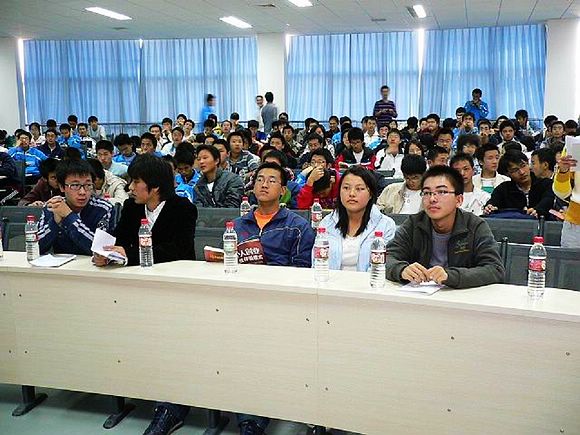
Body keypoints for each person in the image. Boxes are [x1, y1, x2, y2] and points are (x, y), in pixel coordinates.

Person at [385, 165, 504, 288]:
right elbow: (386, 257)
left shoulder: (475, 226)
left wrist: (450, 276)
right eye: (427, 193)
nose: (432, 199)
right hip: (419, 294)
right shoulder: (414, 224)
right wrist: (401, 270)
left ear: (459, 200)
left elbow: (495, 269)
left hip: (461, 295)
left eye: (441, 192)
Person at [93, 154, 197, 268]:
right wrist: (107, 255)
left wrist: (130, 255)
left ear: (155, 186)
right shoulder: (131, 206)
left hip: (177, 272)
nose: (130, 187)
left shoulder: (183, 209)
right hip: (137, 272)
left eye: (136, 182)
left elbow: (178, 250)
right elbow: (120, 239)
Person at [316, 166, 396, 271]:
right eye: (346, 188)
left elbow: (387, 265)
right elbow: (316, 262)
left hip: (370, 280)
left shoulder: (386, 225)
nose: (352, 194)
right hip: (330, 280)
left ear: (371, 194)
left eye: (359, 189)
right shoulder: (326, 223)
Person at [38, 159, 114, 255]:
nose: (82, 192)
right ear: (61, 187)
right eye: (75, 185)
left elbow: (101, 250)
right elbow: (35, 247)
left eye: (88, 185)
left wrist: (69, 217)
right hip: (62, 264)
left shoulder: (104, 208)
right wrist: (54, 223)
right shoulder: (53, 206)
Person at [484, 150, 555, 218]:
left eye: (523, 166)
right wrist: (489, 207)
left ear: (528, 164)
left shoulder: (546, 184)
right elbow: (493, 202)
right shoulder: (503, 189)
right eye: (515, 170)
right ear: (507, 174)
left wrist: (538, 210)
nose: (522, 172)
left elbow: (548, 199)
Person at [553, 151, 580, 247]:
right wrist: (563, 171)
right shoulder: (575, 146)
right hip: (576, 223)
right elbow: (562, 193)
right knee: (569, 257)